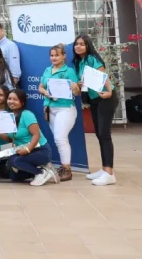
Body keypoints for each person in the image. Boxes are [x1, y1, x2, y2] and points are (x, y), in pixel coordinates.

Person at [73, 35, 118, 186]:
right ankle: (104, 169)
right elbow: (85, 82)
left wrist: (109, 92)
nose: (78, 47)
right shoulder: (79, 62)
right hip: (94, 100)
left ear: (88, 46)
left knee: (104, 134)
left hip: (106, 97)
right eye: (76, 44)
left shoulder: (92, 58)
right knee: (99, 133)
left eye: (82, 44)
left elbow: (103, 77)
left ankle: (109, 173)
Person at [38, 44, 82, 181]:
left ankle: (67, 169)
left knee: (60, 138)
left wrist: (75, 87)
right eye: (51, 55)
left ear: (64, 56)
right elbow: (40, 87)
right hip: (50, 108)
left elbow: (76, 92)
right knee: (59, 139)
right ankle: (64, 167)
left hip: (65, 108)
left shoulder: (69, 71)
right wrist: (45, 92)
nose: (54, 58)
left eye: (57, 55)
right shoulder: (47, 70)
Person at [0, 88, 57, 186]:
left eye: (15, 99)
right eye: (9, 99)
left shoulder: (27, 115)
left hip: (40, 150)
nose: (11, 102)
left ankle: (42, 172)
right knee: (14, 177)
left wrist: (27, 149)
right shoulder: (9, 116)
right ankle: (39, 170)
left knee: (14, 160)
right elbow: (11, 139)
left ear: (22, 102)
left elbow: (36, 135)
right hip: (22, 149)